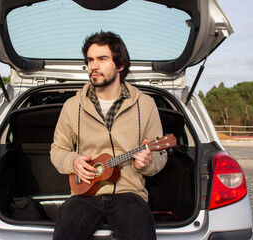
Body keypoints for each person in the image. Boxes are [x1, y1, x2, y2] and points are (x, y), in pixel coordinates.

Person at [50, 31, 167, 240]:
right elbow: (57, 150)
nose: (93, 66)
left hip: (129, 194)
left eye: (102, 59)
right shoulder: (72, 105)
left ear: (120, 65)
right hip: (84, 195)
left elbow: (160, 155)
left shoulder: (146, 105)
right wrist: (73, 161)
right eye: (90, 60)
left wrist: (146, 164)